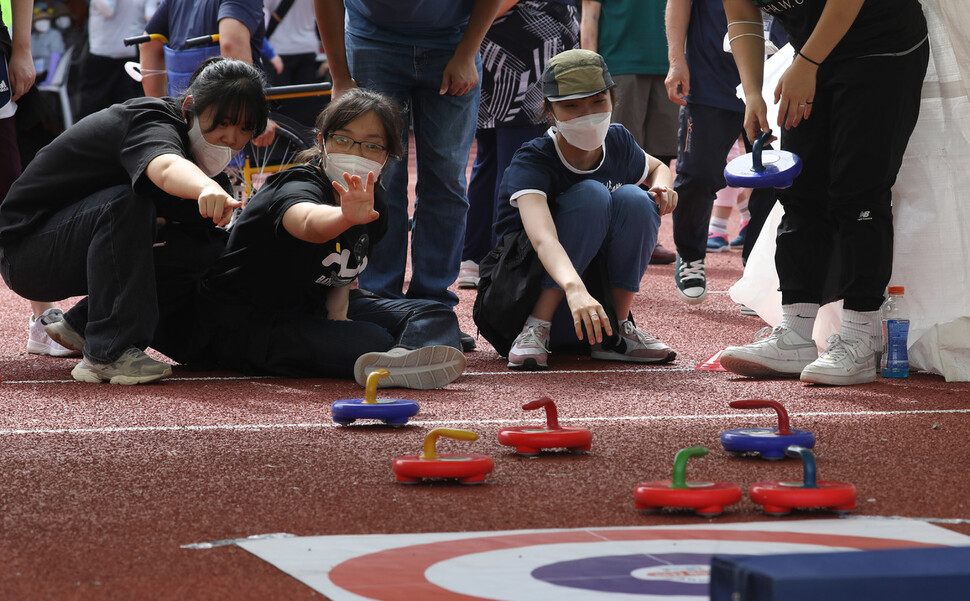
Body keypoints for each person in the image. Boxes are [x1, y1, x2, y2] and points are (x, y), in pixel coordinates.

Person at [0, 57, 269, 384]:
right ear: (190, 107)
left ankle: (81, 325)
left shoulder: (202, 163)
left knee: (206, 241)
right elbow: (167, 168)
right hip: (25, 252)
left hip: (72, 243)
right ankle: (107, 354)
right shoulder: (152, 122)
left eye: (244, 128)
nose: (231, 137)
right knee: (126, 205)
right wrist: (206, 188)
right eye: (223, 122)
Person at [193, 87, 466, 389]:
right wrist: (344, 217)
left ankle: (399, 360)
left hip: (312, 307)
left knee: (433, 313)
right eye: (343, 140)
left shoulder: (375, 200)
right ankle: (399, 356)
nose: (356, 153)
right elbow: (307, 222)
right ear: (322, 142)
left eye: (372, 146)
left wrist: (338, 315)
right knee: (371, 339)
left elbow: (344, 269)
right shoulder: (297, 184)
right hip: (249, 319)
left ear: (387, 157)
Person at [718, 0, 929, 385]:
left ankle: (859, 341)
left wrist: (808, 64)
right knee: (799, 192)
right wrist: (753, 92)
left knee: (859, 192)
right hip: (810, 55)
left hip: (880, 46)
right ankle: (795, 335)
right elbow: (742, 15)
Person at [480, 48, 678, 371]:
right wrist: (574, 288)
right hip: (520, 298)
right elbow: (543, 239)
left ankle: (616, 331)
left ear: (613, 99)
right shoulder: (533, 159)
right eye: (571, 106)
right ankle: (536, 328)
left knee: (637, 200)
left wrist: (663, 186)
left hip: (592, 309)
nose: (587, 114)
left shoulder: (618, 141)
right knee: (591, 195)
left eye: (598, 102)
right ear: (549, 111)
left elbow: (657, 168)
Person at [313, 0, 501, 326]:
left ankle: (434, 307)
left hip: (451, 41)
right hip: (372, 42)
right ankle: (381, 303)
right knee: (378, 178)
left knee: (447, 178)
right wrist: (340, 77)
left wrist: (468, 52)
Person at [665, 0, 784, 305]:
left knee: (773, 178)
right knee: (699, 173)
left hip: (775, 74)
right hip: (710, 78)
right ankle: (690, 255)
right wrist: (676, 59)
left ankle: (756, 275)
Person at [458, 0, 579, 290]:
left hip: (515, 49)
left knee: (491, 160)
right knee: (520, 162)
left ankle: (476, 256)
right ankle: (505, 259)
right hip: (525, 51)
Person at [581, 0, 678, 266]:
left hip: (669, 64)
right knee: (614, 152)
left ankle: (646, 233)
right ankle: (606, 234)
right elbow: (590, 13)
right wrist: (589, 69)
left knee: (660, 154)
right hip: (618, 62)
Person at [79, 0, 148, 119]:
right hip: (121, 51)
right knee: (123, 105)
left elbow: (108, 10)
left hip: (107, 53)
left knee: (115, 106)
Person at [263, 0, 323, 127]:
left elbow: (262, 17)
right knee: (306, 103)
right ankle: (304, 139)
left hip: (278, 50)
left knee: (281, 104)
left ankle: (285, 141)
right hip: (308, 46)